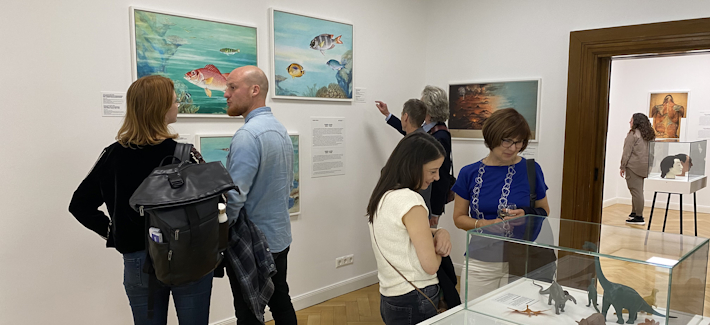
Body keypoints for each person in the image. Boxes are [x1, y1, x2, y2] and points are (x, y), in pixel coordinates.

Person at [69, 75, 214, 325]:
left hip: (138, 259)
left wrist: (113, 232)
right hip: (187, 256)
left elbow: (79, 205)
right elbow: (214, 203)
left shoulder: (112, 155)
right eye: (174, 101)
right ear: (160, 108)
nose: (177, 105)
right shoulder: (184, 154)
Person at [451, 108, 550, 302]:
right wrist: (485, 224)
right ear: (491, 138)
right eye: (507, 140)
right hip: (481, 261)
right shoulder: (469, 173)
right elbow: (459, 218)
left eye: (518, 142)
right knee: (475, 317)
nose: (513, 148)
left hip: (521, 260)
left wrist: (525, 213)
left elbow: (544, 210)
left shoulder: (531, 169)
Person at [223, 65, 297, 324]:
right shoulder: (279, 130)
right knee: (280, 300)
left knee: (248, 312)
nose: (226, 94)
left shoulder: (247, 135)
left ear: (255, 90)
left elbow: (235, 198)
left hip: (253, 242)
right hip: (279, 237)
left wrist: (220, 232)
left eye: (232, 87)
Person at [367, 132, 452, 325]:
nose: (437, 177)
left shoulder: (384, 195)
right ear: (414, 166)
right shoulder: (411, 200)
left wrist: (440, 232)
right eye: (432, 171)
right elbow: (430, 266)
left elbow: (400, 231)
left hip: (390, 296)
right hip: (416, 297)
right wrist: (439, 247)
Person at [620, 113, 655, 225]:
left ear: (636, 122)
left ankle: (639, 217)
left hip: (633, 166)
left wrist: (622, 166)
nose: (629, 122)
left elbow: (627, 152)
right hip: (644, 166)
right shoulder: (649, 134)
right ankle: (634, 213)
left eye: (631, 120)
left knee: (636, 191)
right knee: (638, 190)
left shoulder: (633, 134)